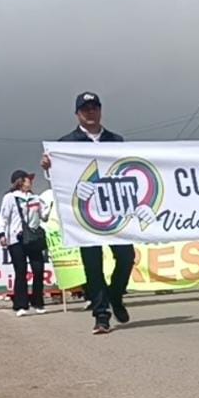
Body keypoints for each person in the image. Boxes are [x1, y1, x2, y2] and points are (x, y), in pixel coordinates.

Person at [41, 92, 135, 334]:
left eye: (94, 107)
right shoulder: (65, 144)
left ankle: (115, 295)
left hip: (115, 212)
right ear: (77, 114)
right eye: (85, 108)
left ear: (100, 110)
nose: (90, 112)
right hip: (84, 215)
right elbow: (58, 181)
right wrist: (48, 168)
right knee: (92, 265)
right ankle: (101, 314)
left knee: (126, 257)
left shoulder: (116, 140)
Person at [0, 170, 49, 317]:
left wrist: (50, 206)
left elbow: (44, 216)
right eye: (28, 179)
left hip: (33, 238)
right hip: (16, 239)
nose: (30, 182)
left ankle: (38, 302)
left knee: (38, 270)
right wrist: (2, 234)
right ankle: (21, 304)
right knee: (21, 272)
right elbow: (4, 217)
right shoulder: (10, 197)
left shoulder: (36, 198)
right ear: (20, 181)